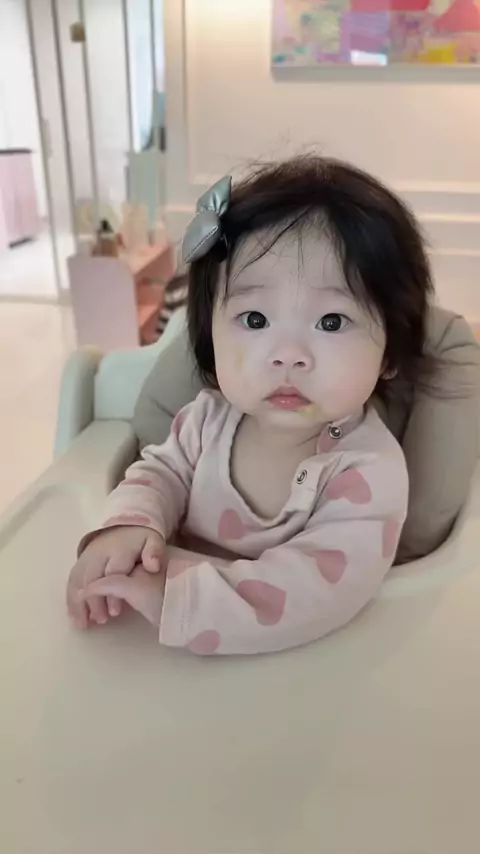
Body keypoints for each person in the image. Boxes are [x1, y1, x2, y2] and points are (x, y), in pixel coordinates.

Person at [67, 155, 433, 655]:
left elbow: (317, 593)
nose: (288, 355)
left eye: (331, 322)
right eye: (255, 319)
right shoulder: (205, 421)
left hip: (292, 669)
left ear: (389, 354)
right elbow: (159, 475)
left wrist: (179, 600)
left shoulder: (368, 472)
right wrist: (130, 525)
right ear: (209, 336)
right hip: (160, 655)